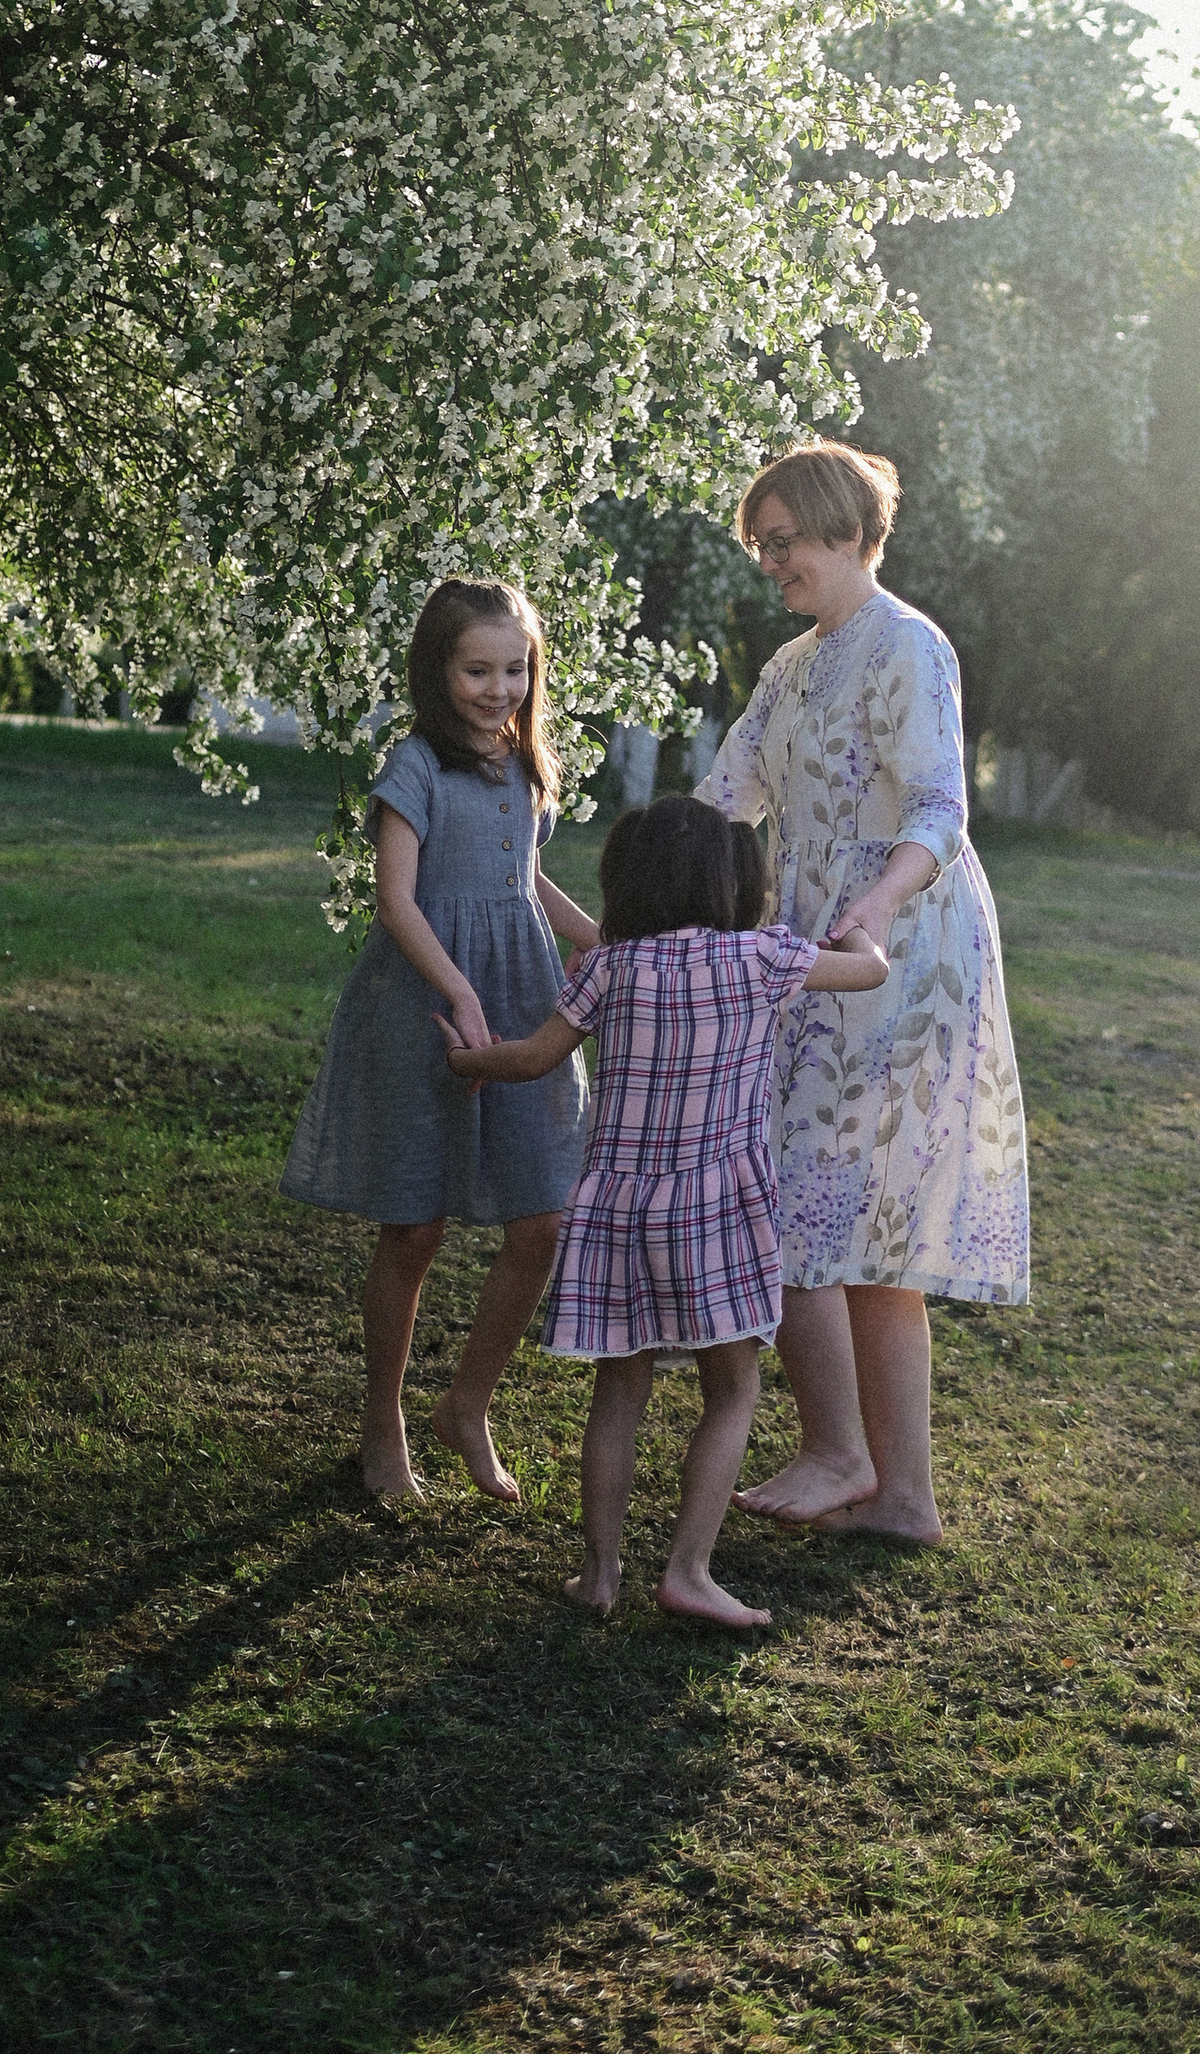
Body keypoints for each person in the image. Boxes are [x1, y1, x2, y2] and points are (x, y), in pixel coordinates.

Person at [442, 792, 888, 1629]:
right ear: (734, 883)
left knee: (622, 1387)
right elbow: (871, 971)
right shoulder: (762, 957)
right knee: (732, 1389)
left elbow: (536, 1055)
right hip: (717, 1209)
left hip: (618, 1206)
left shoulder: (609, 967)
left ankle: (600, 1573)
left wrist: (473, 1059)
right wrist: (862, 925)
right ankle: (687, 1568)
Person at [700, 440, 1030, 1545]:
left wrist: (879, 902)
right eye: (763, 546)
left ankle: (845, 1454)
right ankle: (903, 1499)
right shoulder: (792, 667)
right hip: (812, 960)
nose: (772, 562)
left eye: (785, 540)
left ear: (848, 532)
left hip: (901, 958)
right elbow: (722, 801)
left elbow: (940, 806)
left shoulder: (908, 645)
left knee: (804, 1203)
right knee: (850, 1223)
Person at [281, 577, 597, 1504]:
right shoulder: (413, 767)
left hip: (522, 993)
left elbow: (526, 881)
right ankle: (384, 1423)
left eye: (514, 668)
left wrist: (600, 942)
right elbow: (397, 901)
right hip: (421, 1000)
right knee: (415, 1225)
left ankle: (468, 1402)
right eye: (476, 670)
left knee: (543, 1217)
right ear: (438, 668)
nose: (498, 689)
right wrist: (457, 991)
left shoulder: (527, 763)